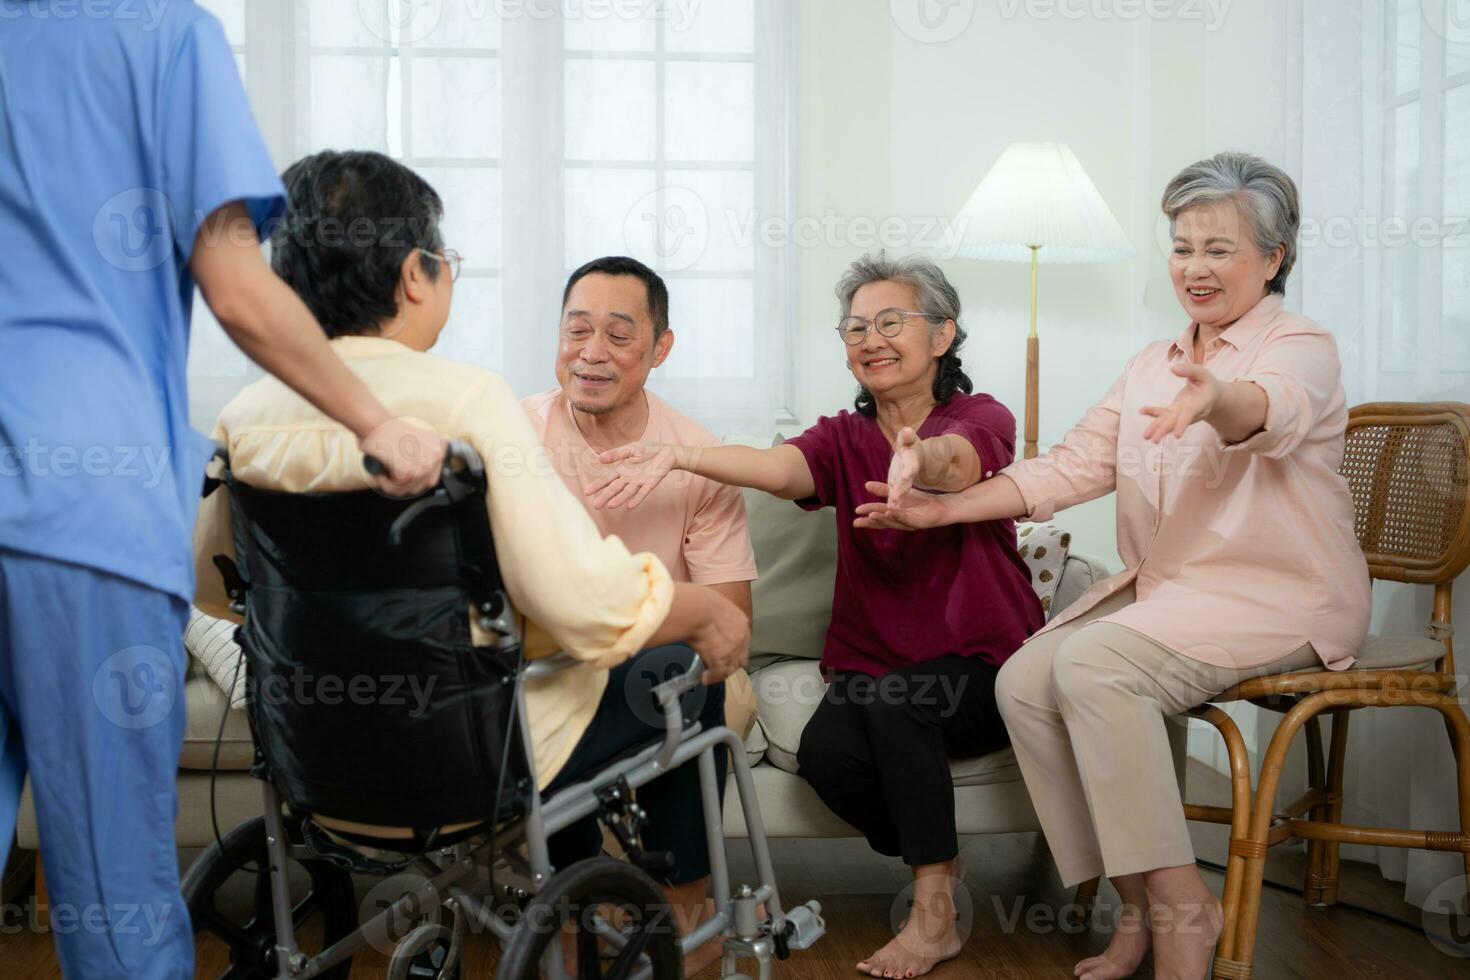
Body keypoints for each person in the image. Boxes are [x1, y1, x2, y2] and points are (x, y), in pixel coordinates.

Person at [191, 150, 749, 976]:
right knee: (676, 674)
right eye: (445, 259)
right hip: (469, 764)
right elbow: (584, 606)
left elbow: (216, 589)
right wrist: (703, 612)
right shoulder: (468, 400)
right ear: (417, 276)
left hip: (315, 756)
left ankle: (607, 906)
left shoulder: (248, 413)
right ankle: (684, 917)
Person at [855, 152, 1371, 980]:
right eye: (1181, 246)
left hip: (1283, 597)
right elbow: (1070, 465)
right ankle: (1138, 902)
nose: (1194, 268)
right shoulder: (1150, 364)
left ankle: (1182, 916)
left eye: (1219, 249)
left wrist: (1220, 401)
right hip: (1177, 596)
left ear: (1273, 259)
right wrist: (942, 508)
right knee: (1024, 680)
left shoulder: (1301, 346)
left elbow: (1267, 410)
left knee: (1095, 667)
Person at [0, 8, 438, 978]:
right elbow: (237, 284)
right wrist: (376, 421)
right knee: (116, 895)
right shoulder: (160, 32)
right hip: (84, 517)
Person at [589, 252, 1044, 977]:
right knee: (826, 757)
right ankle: (945, 860)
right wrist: (678, 456)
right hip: (873, 664)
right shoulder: (841, 436)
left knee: (901, 706)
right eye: (856, 326)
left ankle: (933, 917)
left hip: (984, 664)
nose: (870, 338)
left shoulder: (980, 417)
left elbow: (961, 462)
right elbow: (777, 470)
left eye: (891, 321)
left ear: (942, 335)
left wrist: (917, 462)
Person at [523, 254, 760, 747]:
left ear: (660, 347)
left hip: (668, 655)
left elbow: (730, 621)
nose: (591, 353)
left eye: (618, 336)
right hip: (554, 659)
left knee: (695, 697)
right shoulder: (514, 436)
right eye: (578, 331)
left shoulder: (699, 457)